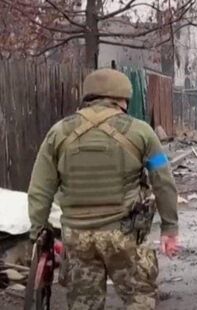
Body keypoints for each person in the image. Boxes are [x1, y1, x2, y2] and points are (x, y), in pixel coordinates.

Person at [27, 68, 180, 310]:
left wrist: (38, 231)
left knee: (83, 304)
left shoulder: (58, 133)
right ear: (123, 98)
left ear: (88, 96)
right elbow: (163, 180)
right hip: (124, 235)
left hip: (77, 238)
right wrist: (169, 228)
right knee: (140, 298)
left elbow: (39, 188)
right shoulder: (141, 131)